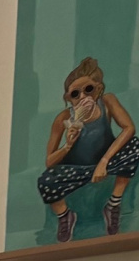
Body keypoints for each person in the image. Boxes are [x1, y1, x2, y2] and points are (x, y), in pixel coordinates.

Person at [37, 56, 139, 242]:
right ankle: (64, 215)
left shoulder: (107, 102)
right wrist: (67, 145)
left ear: (98, 89)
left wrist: (104, 161)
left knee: (135, 146)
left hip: (106, 162)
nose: (83, 97)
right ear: (68, 98)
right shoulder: (63, 119)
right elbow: (50, 161)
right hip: (77, 168)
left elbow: (129, 128)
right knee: (46, 181)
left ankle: (113, 204)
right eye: (75, 94)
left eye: (88, 89)